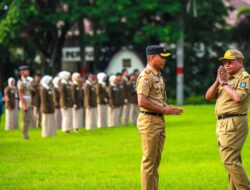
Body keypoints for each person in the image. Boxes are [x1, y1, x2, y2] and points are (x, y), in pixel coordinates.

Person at [136, 45, 183, 190]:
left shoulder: (157, 75)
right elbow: (142, 101)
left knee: (156, 161)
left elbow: (157, 99)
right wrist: (165, 110)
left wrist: (169, 109)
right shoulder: (146, 76)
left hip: (158, 120)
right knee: (149, 161)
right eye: (162, 57)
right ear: (152, 58)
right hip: (149, 121)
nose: (164, 60)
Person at [205, 49, 250, 190]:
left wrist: (224, 84)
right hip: (223, 123)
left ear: (240, 62)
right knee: (233, 161)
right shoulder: (227, 79)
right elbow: (208, 96)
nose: (227, 65)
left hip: (234, 122)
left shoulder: (244, 77)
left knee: (229, 160)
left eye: (230, 62)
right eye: (224, 62)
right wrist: (218, 82)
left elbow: (237, 98)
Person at [17, 65, 33, 139]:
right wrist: (24, 105)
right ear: (22, 72)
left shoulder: (28, 81)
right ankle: (24, 135)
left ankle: (26, 134)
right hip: (24, 103)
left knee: (28, 120)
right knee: (25, 120)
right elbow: (20, 94)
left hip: (29, 102)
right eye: (26, 71)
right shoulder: (20, 82)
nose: (28, 72)